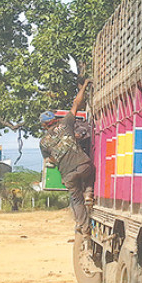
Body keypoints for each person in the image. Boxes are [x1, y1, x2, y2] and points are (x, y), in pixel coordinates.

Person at [39, 79, 94, 234]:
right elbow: (77, 103)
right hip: (83, 166)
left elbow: (50, 160)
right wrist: (84, 85)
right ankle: (89, 192)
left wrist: (58, 156)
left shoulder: (43, 142)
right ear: (55, 120)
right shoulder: (66, 123)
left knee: (76, 199)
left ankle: (84, 226)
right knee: (90, 170)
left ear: (44, 126)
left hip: (68, 175)